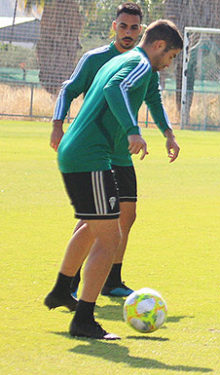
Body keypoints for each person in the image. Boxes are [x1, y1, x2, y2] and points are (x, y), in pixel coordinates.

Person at [49, 19, 183, 339]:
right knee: (110, 238)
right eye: (172, 56)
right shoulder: (138, 62)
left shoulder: (123, 59)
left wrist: (165, 133)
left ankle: (60, 290)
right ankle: (83, 319)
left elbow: (130, 92)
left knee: (90, 226)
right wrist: (133, 131)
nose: (170, 63)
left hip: (83, 154)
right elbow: (114, 88)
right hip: (89, 156)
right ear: (160, 46)